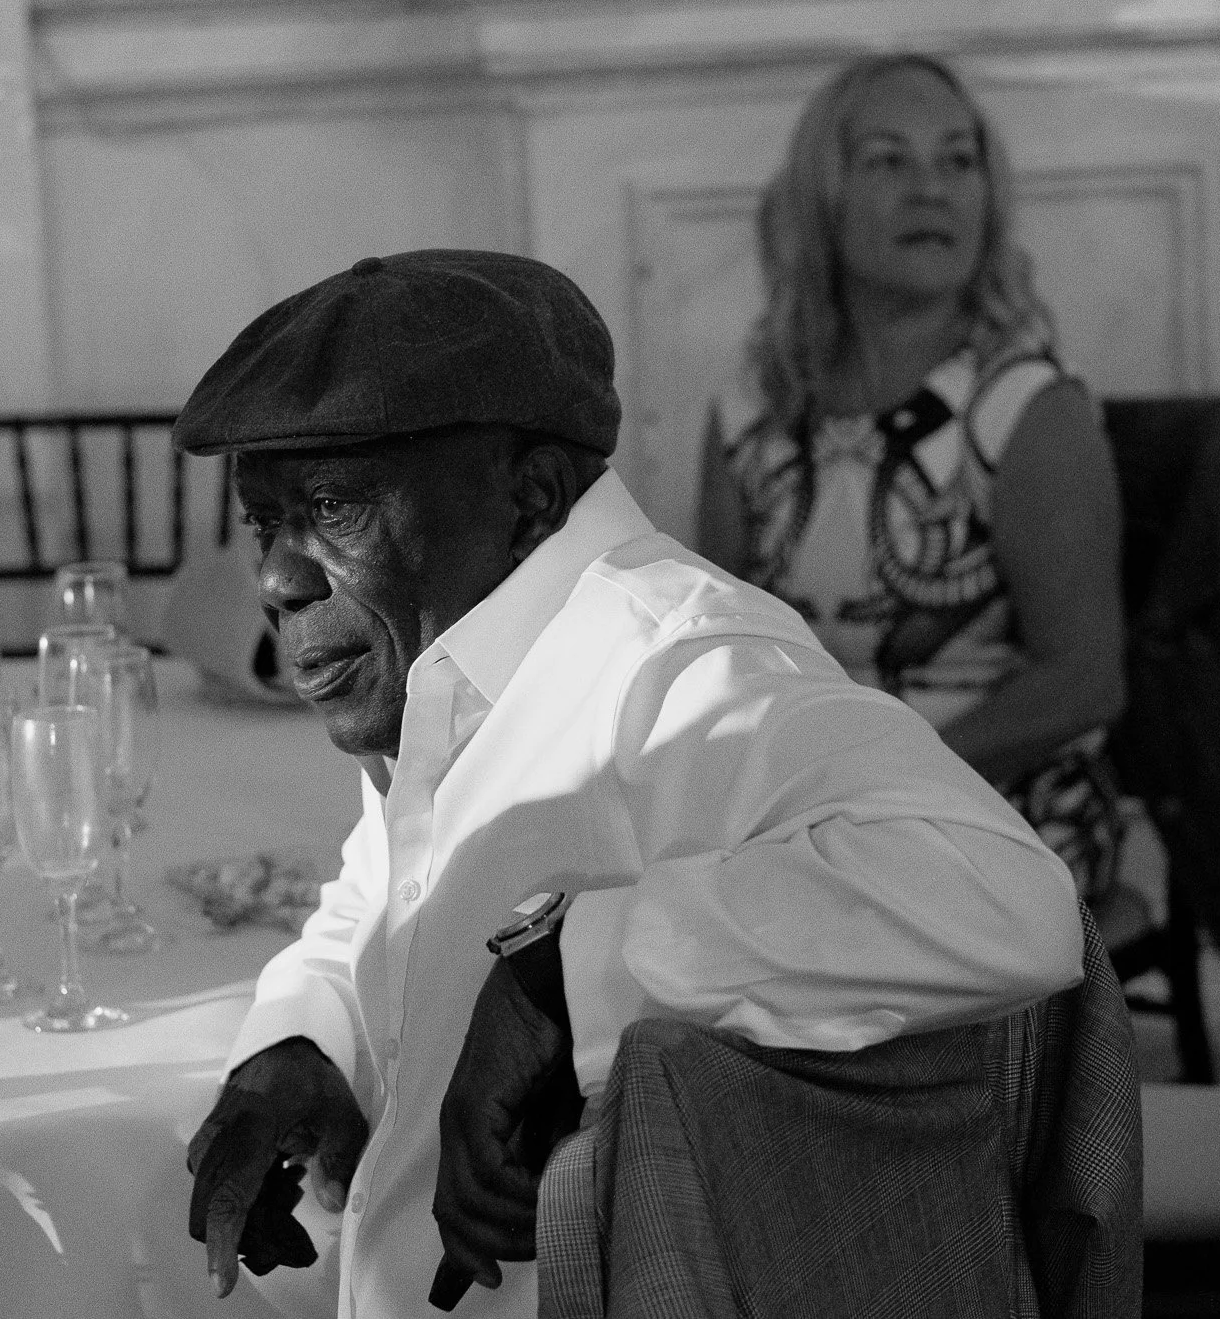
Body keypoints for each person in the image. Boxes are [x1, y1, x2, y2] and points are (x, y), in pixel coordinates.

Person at [175, 248, 1087, 1319]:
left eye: (330, 508)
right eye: (263, 521)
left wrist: (561, 978)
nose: (276, 577)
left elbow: (1007, 899)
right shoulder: (459, 663)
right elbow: (384, 894)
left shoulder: (682, 668)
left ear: (529, 494)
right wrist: (302, 1038)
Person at [696, 54, 1129, 903]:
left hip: (1001, 811)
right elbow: (716, 656)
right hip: (802, 810)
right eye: (889, 161)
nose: (932, 190)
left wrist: (877, 791)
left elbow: (1084, 681)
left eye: (958, 161)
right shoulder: (753, 408)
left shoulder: (1028, 406)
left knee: (801, 932)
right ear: (825, 197)